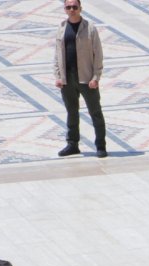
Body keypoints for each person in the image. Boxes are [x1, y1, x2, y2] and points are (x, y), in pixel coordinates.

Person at [53, 0, 107, 158]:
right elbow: (57, 54)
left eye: (74, 7)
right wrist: (58, 76)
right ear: (65, 9)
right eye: (68, 7)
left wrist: (96, 77)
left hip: (86, 78)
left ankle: (101, 145)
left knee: (95, 112)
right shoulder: (62, 27)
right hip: (67, 79)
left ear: (80, 8)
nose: (72, 9)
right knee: (71, 112)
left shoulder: (89, 28)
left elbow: (98, 54)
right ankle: (72, 144)